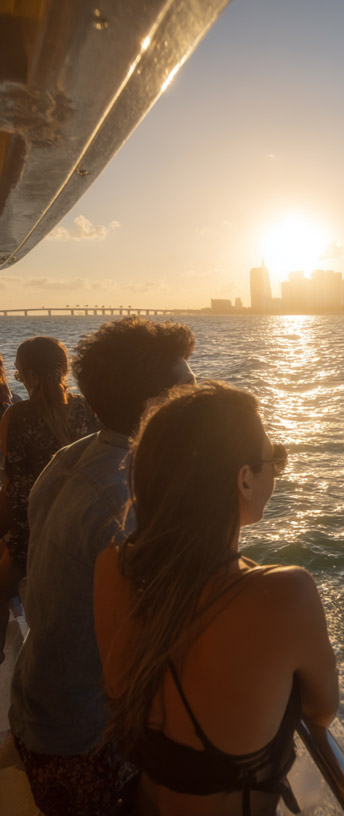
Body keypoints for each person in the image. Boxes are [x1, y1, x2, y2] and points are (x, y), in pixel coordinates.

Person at [94, 381, 338, 816]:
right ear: (244, 479)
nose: (277, 470)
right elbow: (321, 712)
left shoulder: (113, 569)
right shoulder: (283, 594)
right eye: (273, 460)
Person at [8, 317, 196, 814]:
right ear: (155, 405)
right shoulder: (124, 501)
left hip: (36, 704)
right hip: (80, 739)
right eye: (190, 393)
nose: (203, 405)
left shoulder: (72, 459)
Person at [0, 337, 101, 579]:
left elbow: (16, 485)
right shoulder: (88, 408)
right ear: (64, 369)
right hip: (84, 518)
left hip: (35, 523)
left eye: (18, 374)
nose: (19, 379)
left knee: (1, 586)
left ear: (31, 376)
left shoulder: (16, 416)